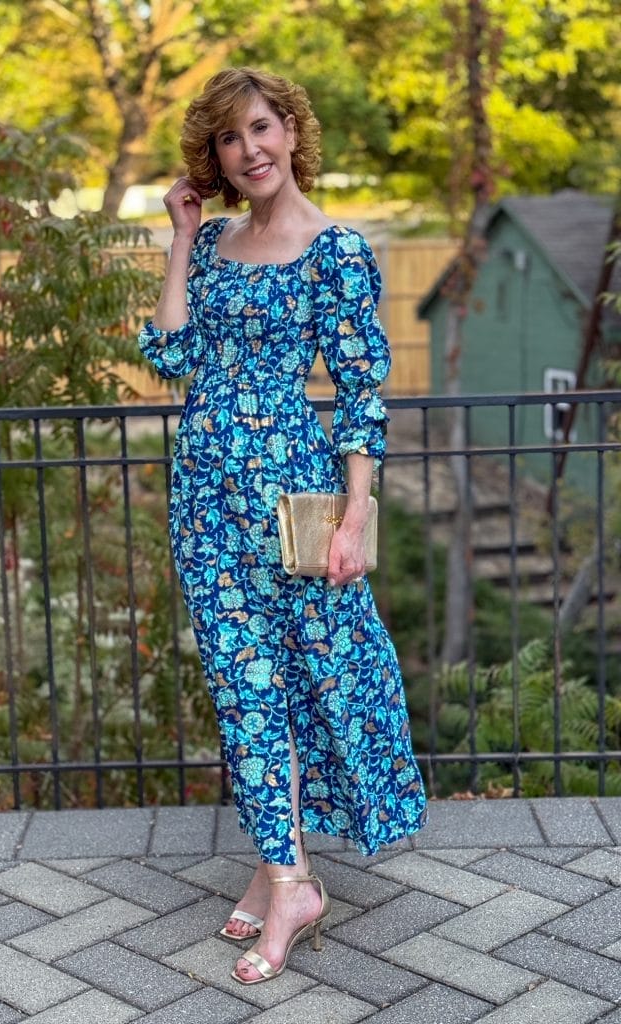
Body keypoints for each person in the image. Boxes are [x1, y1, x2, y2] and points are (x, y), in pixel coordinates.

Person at [138, 67, 426, 986]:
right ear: (213, 155)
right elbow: (173, 354)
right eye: (229, 138)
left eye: (261, 128)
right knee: (241, 685)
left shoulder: (335, 250)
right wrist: (182, 238)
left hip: (288, 497)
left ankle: (289, 880)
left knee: (295, 677)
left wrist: (356, 515)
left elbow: (359, 394)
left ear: (292, 132)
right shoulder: (216, 239)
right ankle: (280, 868)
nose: (248, 150)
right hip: (205, 499)